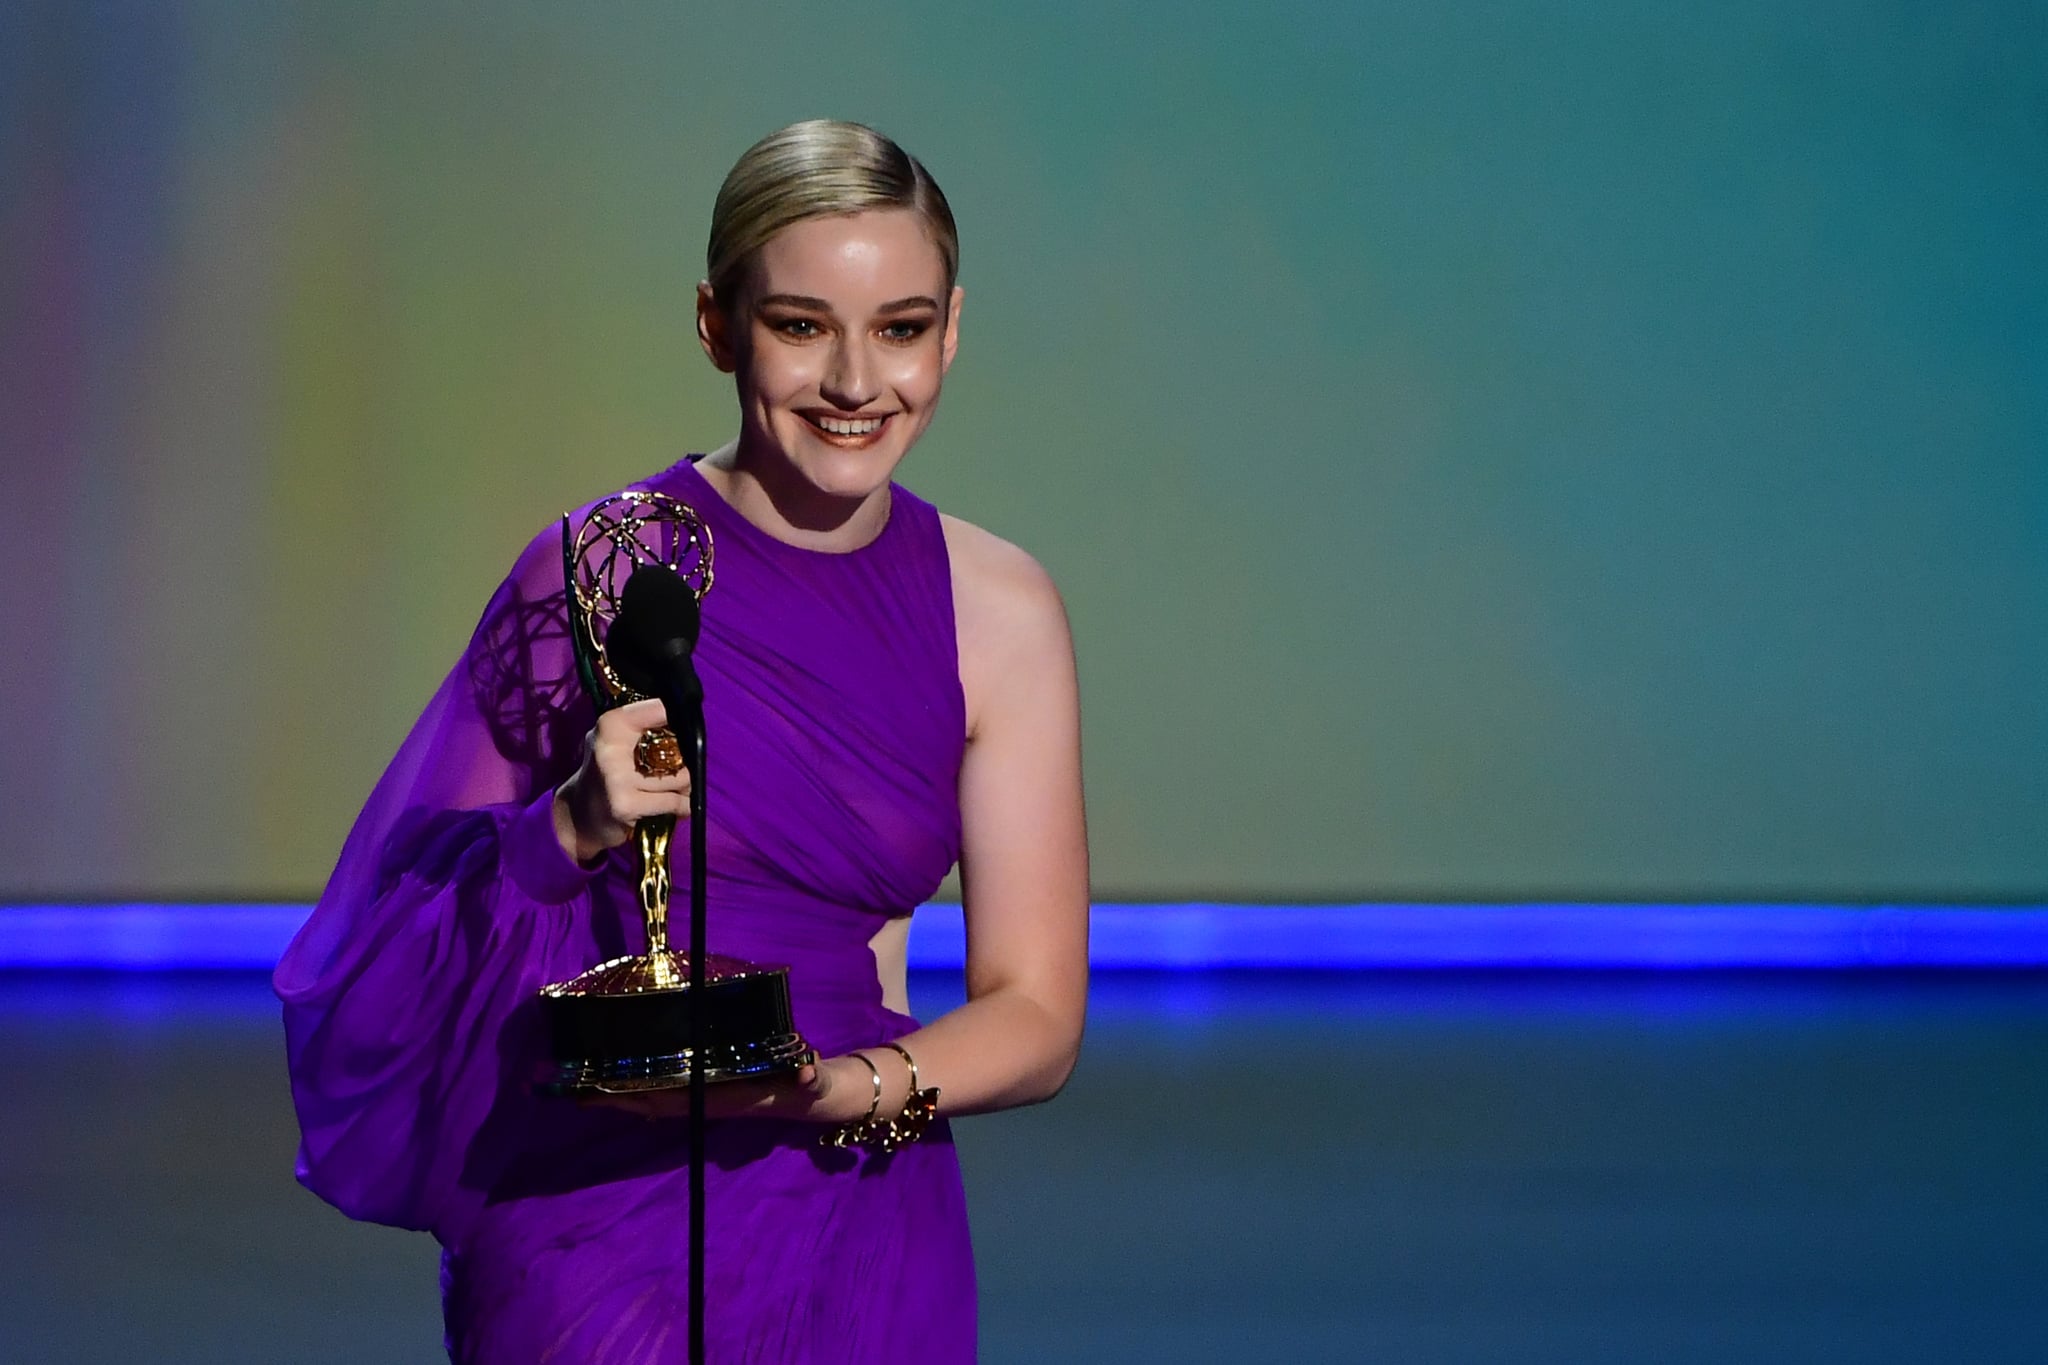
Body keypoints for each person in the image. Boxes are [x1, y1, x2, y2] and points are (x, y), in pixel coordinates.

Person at [274, 119, 1090, 1364]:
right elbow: (382, 939)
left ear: (952, 329)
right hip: (593, 1215)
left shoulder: (1002, 609)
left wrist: (834, 1086)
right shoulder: (594, 570)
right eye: (802, 325)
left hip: (860, 1200)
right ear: (717, 325)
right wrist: (565, 830)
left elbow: (1034, 1011)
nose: (858, 381)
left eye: (903, 327)